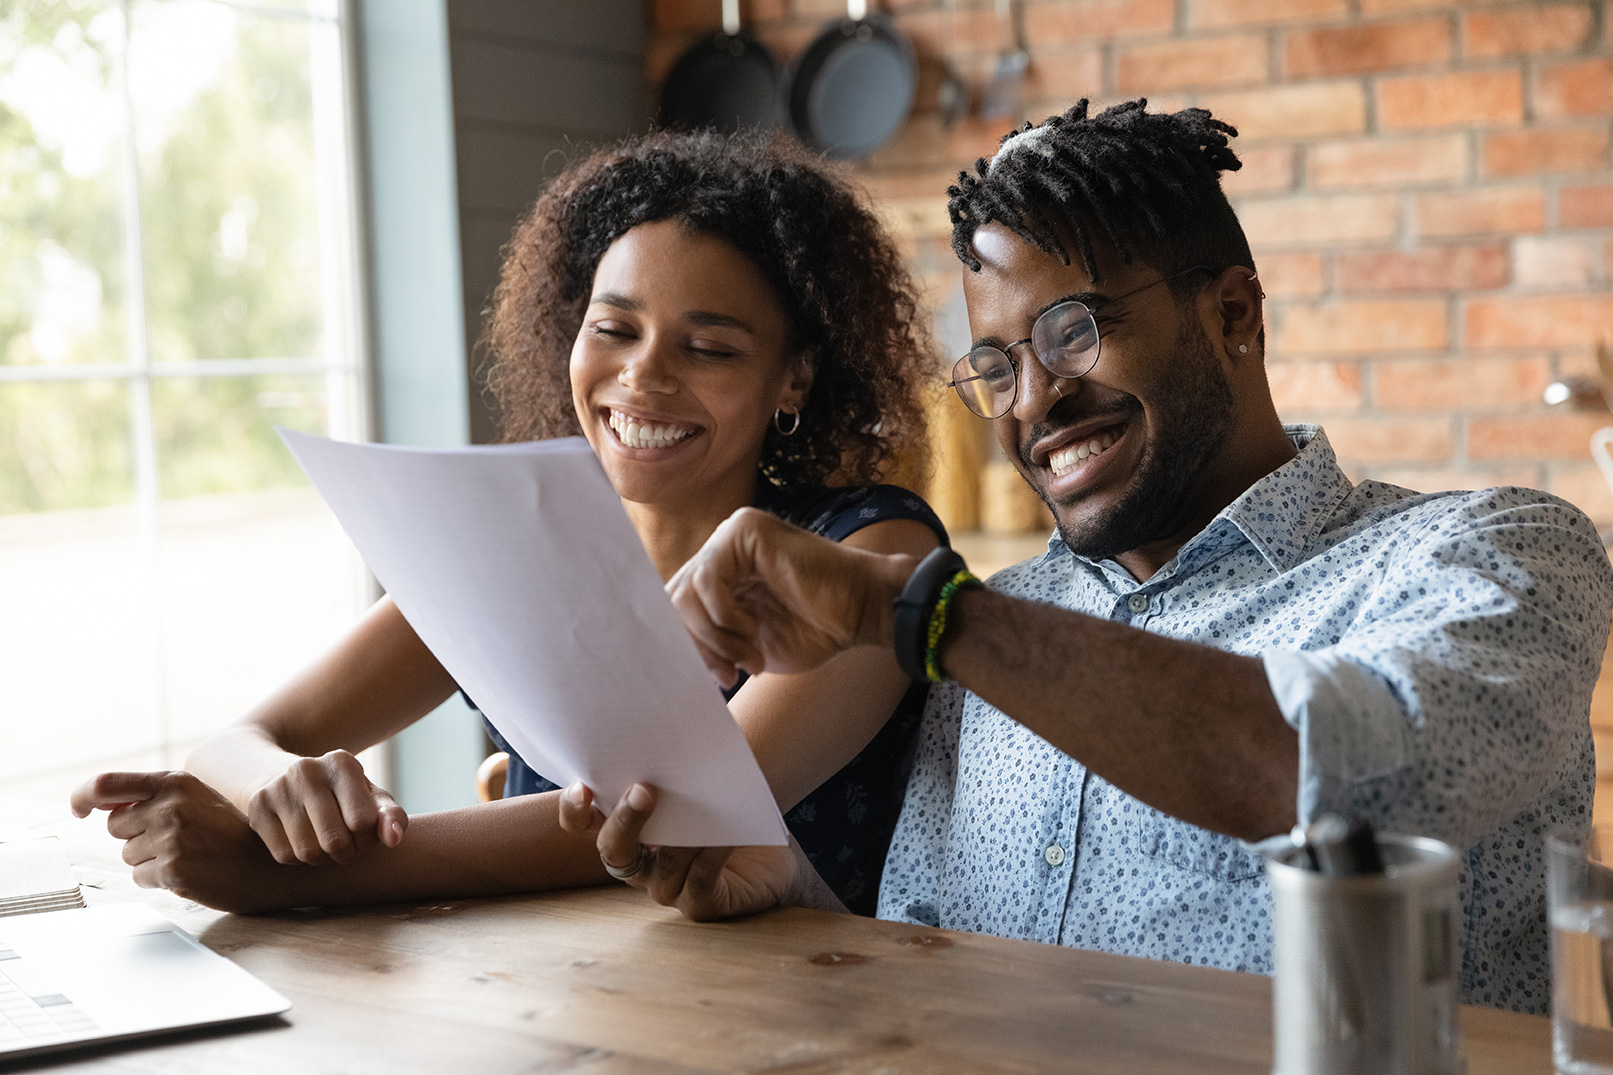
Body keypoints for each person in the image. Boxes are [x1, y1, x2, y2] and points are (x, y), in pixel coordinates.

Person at [560, 100, 1613, 1015]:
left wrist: (928, 615)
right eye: (995, 365)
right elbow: (932, 959)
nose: (1033, 401)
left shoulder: (1492, 549)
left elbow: (1348, 789)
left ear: (1232, 314)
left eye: (1072, 331)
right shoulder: (993, 638)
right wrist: (789, 893)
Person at [71, 130, 945, 917]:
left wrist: (288, 875)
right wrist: (282, 793)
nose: (642, 376)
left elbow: (679, 811)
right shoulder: (518, 548)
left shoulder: (869, 553)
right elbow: (236, 741)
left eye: (708, 347)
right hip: (551, 1009)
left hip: (817, 1022)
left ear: (794, 378)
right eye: (613, 329)